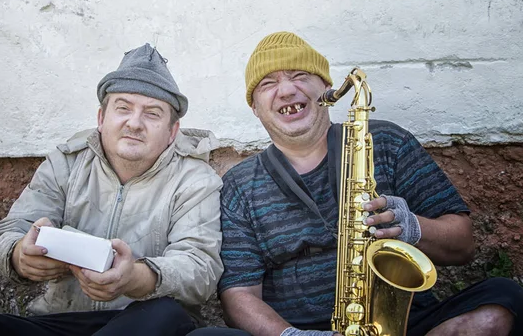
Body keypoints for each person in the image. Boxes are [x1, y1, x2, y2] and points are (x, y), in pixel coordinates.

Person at [188, 31, 522, 336]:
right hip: (302, 331)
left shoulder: (388, 142)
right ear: (255, 108)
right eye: (268, 83)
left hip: (407, 324)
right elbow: (239, 295)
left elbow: (463, 244)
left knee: (502, 301)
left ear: (326, 89)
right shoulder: (239, 185)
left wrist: (413, 228)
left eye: (299, 76)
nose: (287, 90)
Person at [0, 43, 224, 336]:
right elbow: (12, 230)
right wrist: (20, 255)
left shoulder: (195, 179)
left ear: (172, 132)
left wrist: (134, 277)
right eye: (123, 108)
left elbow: (200, 268)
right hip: (60, 320)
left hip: (144, 322)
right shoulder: (65, 164)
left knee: (165, 312)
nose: (134, 123)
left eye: (152, 113)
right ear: (101, 118)